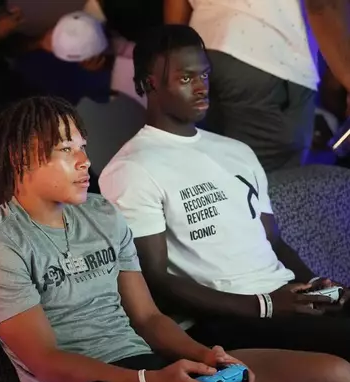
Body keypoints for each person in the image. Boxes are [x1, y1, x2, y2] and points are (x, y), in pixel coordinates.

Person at [0, 95, 350, 382]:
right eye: (66, 150)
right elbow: (47, 362)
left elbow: (148, 318)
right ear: (20, 158)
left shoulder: (101, 214)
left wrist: (207, 357)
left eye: (83, 147)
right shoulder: (0, 248)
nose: (85, 161)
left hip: (146, 361)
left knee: (335, 375)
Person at [99, 24, 350, 362]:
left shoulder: (237, 151)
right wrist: (263, 306)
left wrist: (319, 286)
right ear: (150, 83)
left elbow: (273, 241)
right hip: (228, 319)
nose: (201, 87)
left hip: (284, 299)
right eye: (186, 78)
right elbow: (156, 279)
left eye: (204, 75)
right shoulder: (131, 169)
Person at [163, 0, 350, 172]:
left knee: (209, 181)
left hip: (200, 53)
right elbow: (323, 4)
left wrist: (174, 60)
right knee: (265, 191)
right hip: (266, 61)